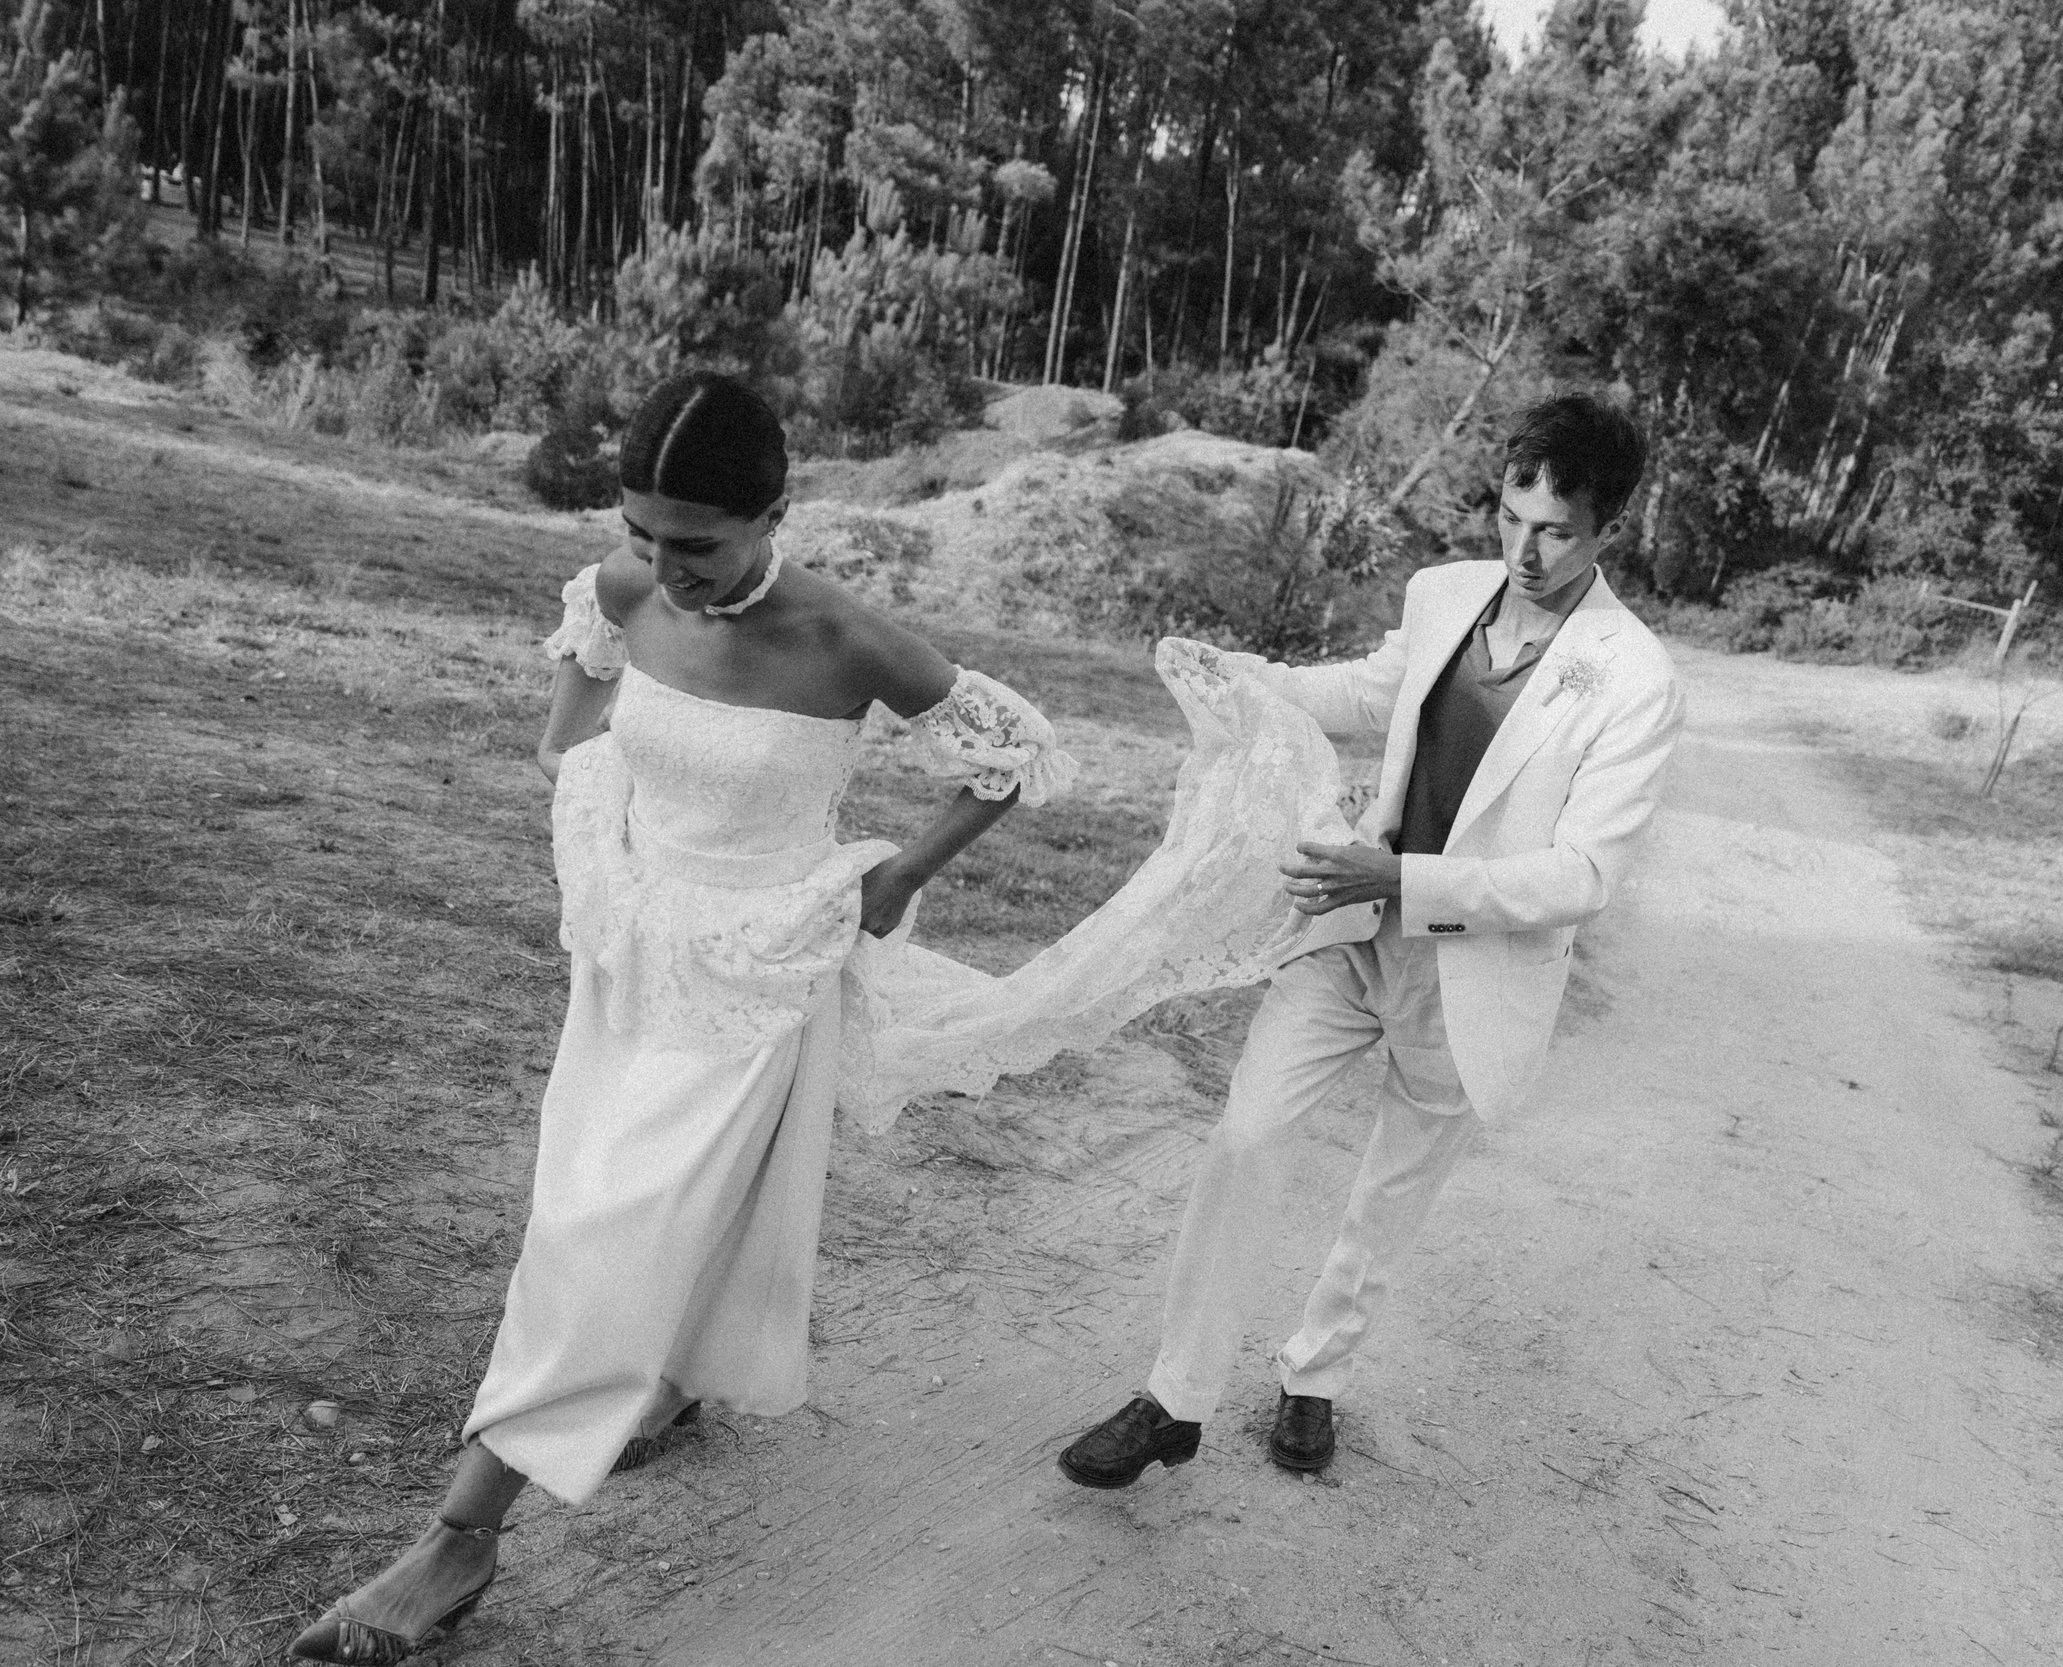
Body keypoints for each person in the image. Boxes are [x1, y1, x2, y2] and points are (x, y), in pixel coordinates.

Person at [289, 373, 1360, 1664]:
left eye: (698, 544)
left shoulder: (845, 638)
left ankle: (459, 1535)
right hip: (631, 951)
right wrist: (599, 787)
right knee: (583, 1201)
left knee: (602, 1237)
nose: (663, 571)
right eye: (642, 536)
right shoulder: (625, 591)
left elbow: (1014, 752)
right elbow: (572, 719)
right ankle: (666, 1384)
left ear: (776, 514)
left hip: (757, 978)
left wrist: (901, 872)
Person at [1058, 393, 1684, 1487]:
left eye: (1554, 531)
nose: (1522, 550)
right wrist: (1247, 679)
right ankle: (1176, 1394)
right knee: (1248, 1133)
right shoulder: (1444, 593)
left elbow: (1584, 874)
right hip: (1349, 932)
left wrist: (1403, 876)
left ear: (1607, 528)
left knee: (1392, 1186)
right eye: (1508, 515)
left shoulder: (1635, 678)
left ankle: (1315, 1377)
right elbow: (1369, 690)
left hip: (1472, 977)